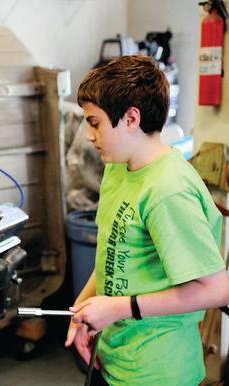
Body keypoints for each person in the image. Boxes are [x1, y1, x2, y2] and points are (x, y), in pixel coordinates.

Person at [64, 55, 229, 385]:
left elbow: (217, 290)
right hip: (115, 357)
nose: (87, 136)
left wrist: (119, 308)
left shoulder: (168, 190)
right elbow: (113, 254)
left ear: (130, 118)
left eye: (94, 123)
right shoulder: (117, 167)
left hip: (159, 370)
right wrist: (81, 311)